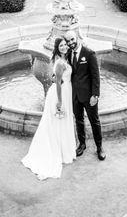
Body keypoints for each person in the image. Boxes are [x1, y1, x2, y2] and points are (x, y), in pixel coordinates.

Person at [21, 37, 76, 180]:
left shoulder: (66, 59)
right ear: (57, 48)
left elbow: (57, 77)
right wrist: (59, 101)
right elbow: (57, 83)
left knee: (63, 122)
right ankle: (58, 152)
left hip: (67, 91)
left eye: (65, 45)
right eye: (62, 45)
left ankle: (65, 151)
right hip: (60, 94)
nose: (64, 47)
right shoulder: (59, 62)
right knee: (56, 123)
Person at [64, 31, 106, 161]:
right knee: (79, 120)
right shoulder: (68, 54)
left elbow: (95, 76)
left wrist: (95, 95)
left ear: (77, 38)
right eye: (68, 41)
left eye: (72, 39)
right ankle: (82, 144)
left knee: (94, 121)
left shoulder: (89, 53)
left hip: (89, 95)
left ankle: (99, 147)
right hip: (75, 95)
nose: (71, 43)